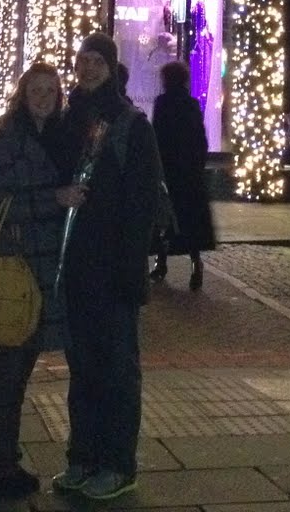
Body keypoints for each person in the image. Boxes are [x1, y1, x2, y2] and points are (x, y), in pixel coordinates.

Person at [53, 32, 162, 503]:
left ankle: (118, 465)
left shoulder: (131, 124)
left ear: (111, 67)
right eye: (84, 59)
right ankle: (82, 457)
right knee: (82, 368)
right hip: (75, 264)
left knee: (117, 369)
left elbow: (142, 202)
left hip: (113, 267)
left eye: (98, 60)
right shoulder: (68, 118)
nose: (89, 67)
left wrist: (131, 266)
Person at [0, 61, 78, 499]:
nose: (43, 98)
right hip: (16, 272)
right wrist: (56, 198)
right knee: (6, 373)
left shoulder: (60, 138)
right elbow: (1, 207)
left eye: (51, 91)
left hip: (46, 270)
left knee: (16, 374)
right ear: (22, 94)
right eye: (36, 90)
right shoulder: (3, 142)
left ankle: (3, 460)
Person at [150, 58, 215, 290]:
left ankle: (161, 262)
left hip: (169, 170)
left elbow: (157, 136)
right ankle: (196, 263)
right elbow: (200, 138)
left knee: (165, 219)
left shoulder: (162, 103)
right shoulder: (191, 104)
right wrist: (198, 163)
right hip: (188, 172)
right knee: (190, 221)